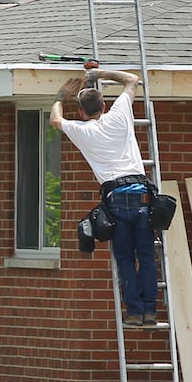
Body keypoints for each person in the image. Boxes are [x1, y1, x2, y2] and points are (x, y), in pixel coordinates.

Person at [50, 66, 159, 328]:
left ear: (80, 112)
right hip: (142, 194)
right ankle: (151, 312)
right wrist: (101, 75)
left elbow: (55, 121)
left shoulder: (82, 130)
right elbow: (132, 80)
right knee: (145, 256)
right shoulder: (120, 114)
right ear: (104, 105)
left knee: (124, 258)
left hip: (116, 201)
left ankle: (134, 312)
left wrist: (60, 95)